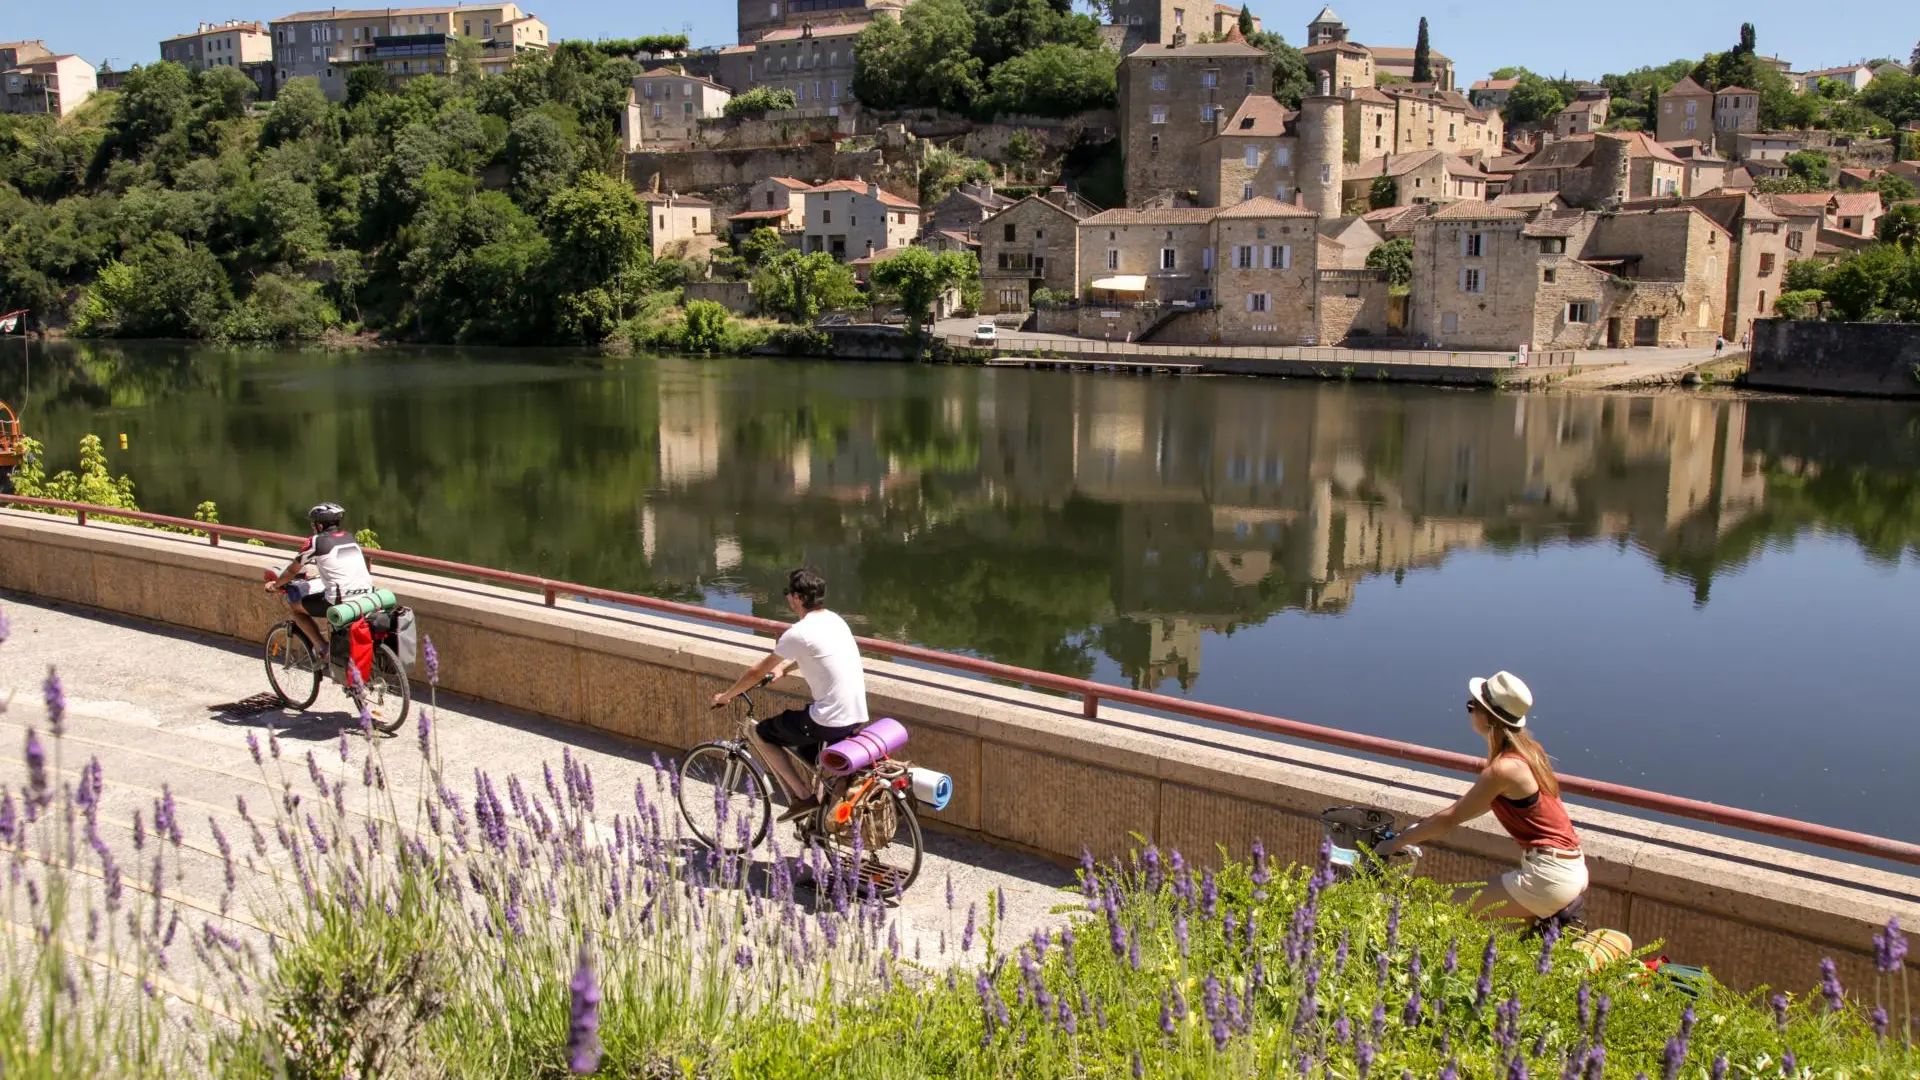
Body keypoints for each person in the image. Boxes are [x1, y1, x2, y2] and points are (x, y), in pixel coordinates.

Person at [1375, 671, 1587, 922]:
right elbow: (1468, 810)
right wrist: (1416, 829)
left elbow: (1452, 818)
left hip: (1547, 876)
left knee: (1434, 907)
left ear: (1489, 717)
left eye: (1471, 706)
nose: (1469, 711)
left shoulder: (1503, 769)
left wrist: (1394, 843)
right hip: (1570, 867)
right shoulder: (1530, 753)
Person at [710, 567, 869, 821]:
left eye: (788, 594)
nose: (787, 598)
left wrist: (726, 696)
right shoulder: (835, 620)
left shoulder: (798, 632)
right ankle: (824, 814)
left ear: (797, 598)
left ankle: (802, 797)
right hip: (857, 713)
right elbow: (816, 653)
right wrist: (784, 668)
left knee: (762, 733)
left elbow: (755, 673)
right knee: (808, 750)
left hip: (829, 718)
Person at [264, 503, 377, 663]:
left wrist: (274, 586)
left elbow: (292, 571)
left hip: (341, 600)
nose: (312, 527)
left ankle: (323, 648)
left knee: (297, 608)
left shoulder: (315, 542)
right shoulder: (350, 538)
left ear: (320, 525)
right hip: (367, 596)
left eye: (313, 523)